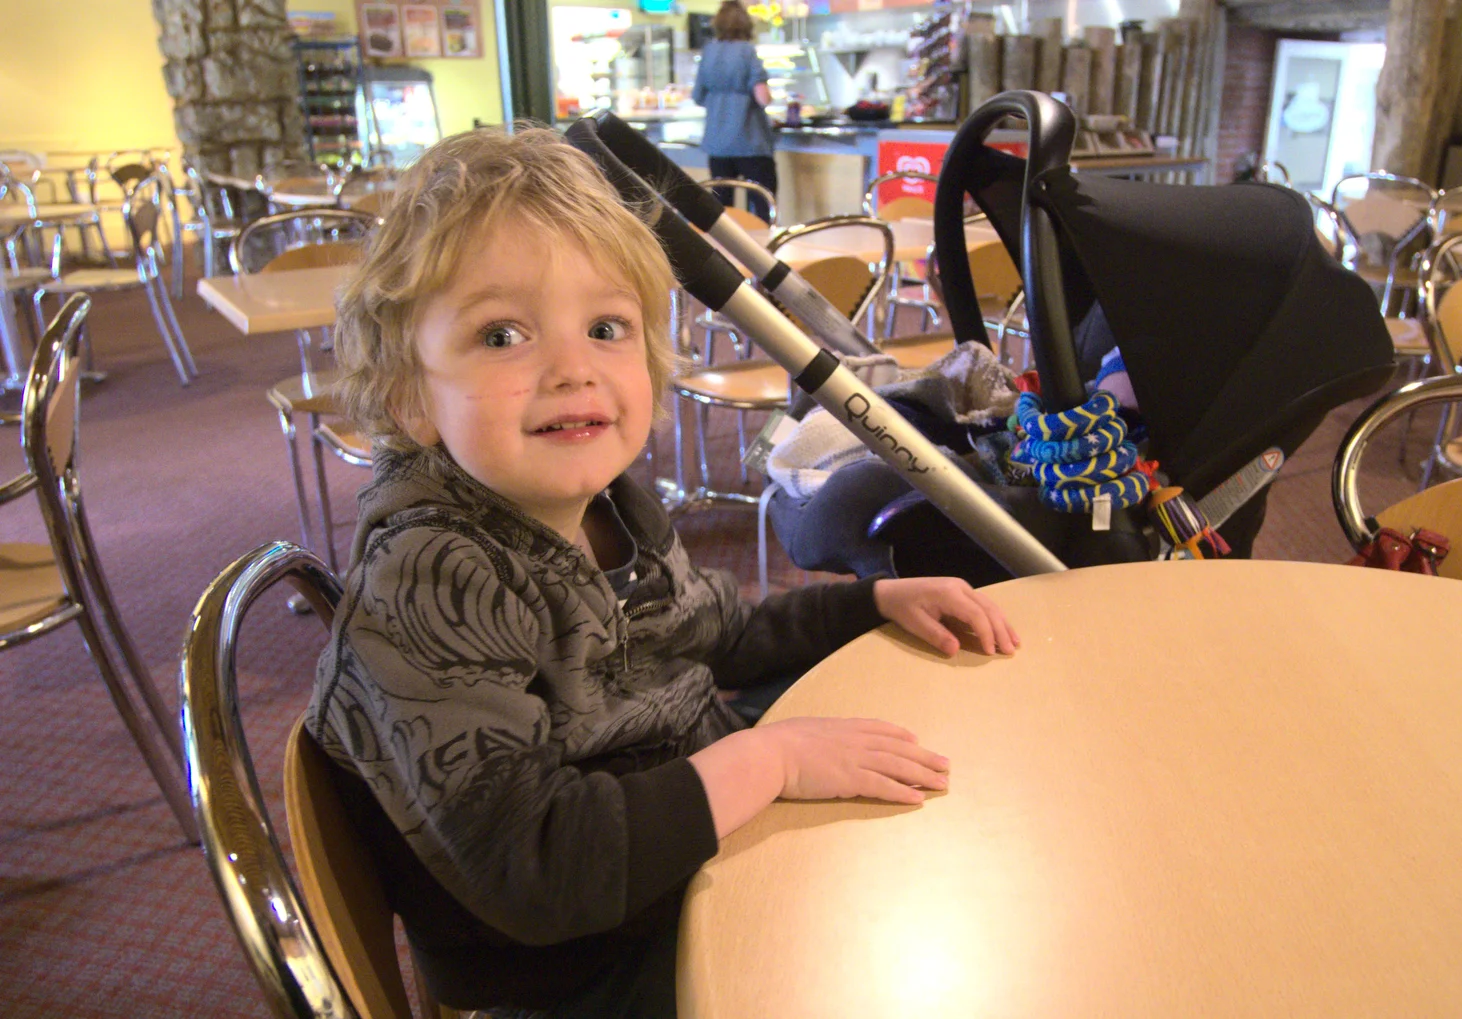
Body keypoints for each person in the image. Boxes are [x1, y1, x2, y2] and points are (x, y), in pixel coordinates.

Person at [307, 125, 1020, 1019]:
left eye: (606, 327)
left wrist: (871, 600)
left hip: (679, 853)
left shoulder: (610, 504)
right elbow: (535, 864)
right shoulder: (430, 575)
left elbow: (718, 633)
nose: (572, 368)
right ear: (413, 395)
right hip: (589, 967)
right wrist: (767, 759)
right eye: (501, 334)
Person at [692, 0, 777, 222]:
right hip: (751, 142)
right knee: (762, 204)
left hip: (717, 144)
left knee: (722, 210)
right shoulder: (747, 52)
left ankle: (725, 252)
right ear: (746, 25)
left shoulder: (708, 51)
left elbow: (698, 96)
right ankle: (763, 252)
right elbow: (763, 96)